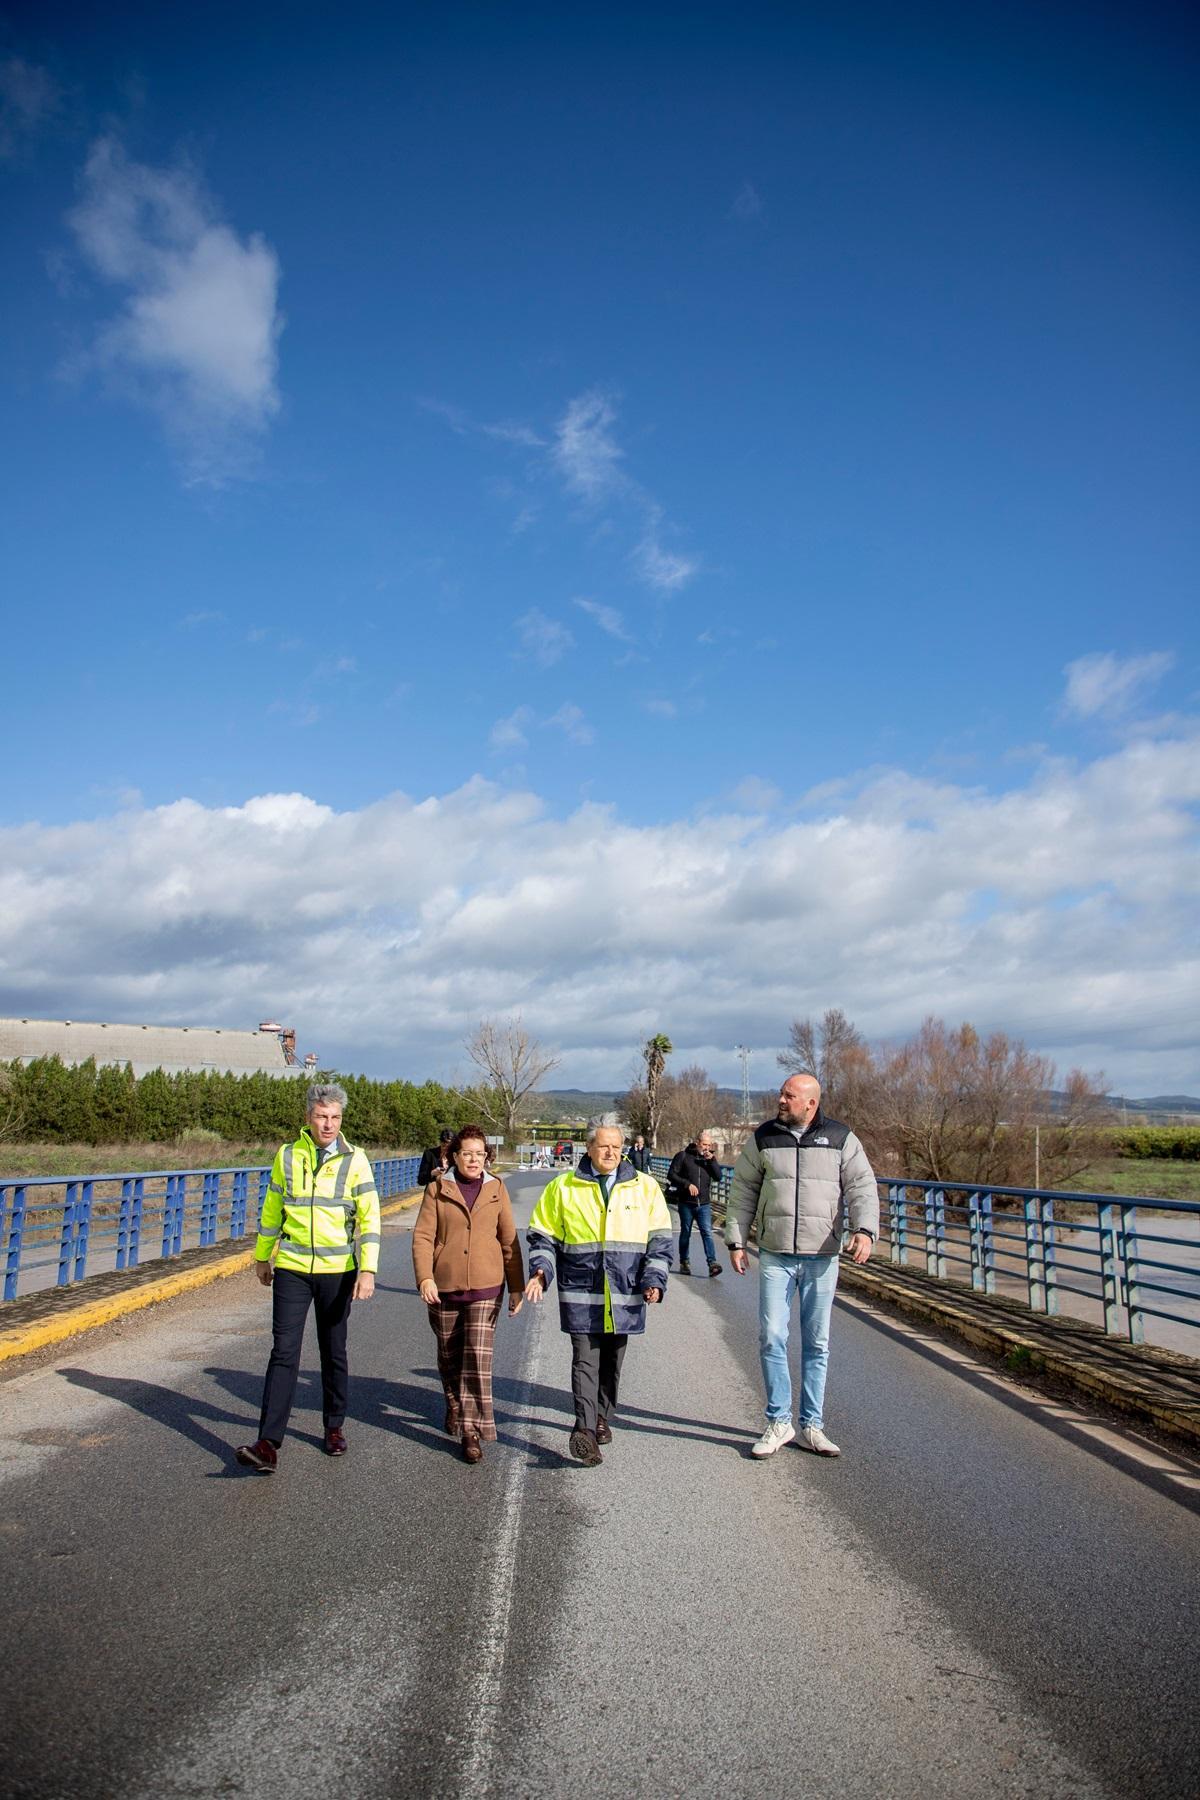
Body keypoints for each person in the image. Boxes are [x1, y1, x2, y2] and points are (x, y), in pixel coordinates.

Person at [725, 1073, 877, 1459]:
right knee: (772, 1336)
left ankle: (812, 1425)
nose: (780, 1099)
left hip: (822, 1255)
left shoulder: (841, 1138)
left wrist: (864, 1230)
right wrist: (737, 1240)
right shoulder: (763, 1137)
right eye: (781, 1093)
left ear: (810, 1103)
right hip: (775, 1253)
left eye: (789, 1096)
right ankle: (779, 1421)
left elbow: (861, 1185)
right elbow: (743, 1188)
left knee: (817, 1343)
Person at [236, 1083, 380, 1472]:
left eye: (334, 1117)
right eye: (321, 1116)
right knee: (283, 1352)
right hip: (294, 1270)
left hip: (337, 1271)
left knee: (333, 1351)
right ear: (308, 1118)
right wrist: (262, 1257)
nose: (328, 1124)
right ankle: (268, 1442)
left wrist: (367, 1269)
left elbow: (369, 1220)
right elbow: (272, 1210)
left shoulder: (356, 1160)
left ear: (341, 1119)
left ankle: (333, 1426)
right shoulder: (287, 1155)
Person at [525, 1120, 672, 1467]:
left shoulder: (645, 1187)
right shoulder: (563, 1187)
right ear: (589, 1147)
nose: (611, 1153)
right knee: (584, 1360)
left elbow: (660, 1240)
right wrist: (541, 1271)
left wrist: (654, 1280)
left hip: (625, 1292)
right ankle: (585, 1430)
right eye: (604, 1146)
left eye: (616, 1147)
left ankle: (602, 1415)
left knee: (612, 1362)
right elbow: (543, 1236)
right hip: (580, 1290)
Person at [412, 1124, 525, 1463]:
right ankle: (454, 1404)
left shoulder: (497, 1188)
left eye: (480, 1154)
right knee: (449, 1355)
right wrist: (425, 1278)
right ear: (454, 1156)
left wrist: (516, 1286)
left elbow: (509, 1240)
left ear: (486, 1157)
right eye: (467, 1154)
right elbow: (422, 1237)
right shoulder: (437, 1189)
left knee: (476, 1357)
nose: (474, 1160)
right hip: (444, 1285)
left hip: (487, 1285)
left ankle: (471, 1430)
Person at [666, 1134, 724, 1276]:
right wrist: (687, 1184)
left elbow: (718, 1177)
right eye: (704, 1144)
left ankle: (712, 1263)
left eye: (709, 1145)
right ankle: (684, 1262)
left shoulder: (708, 1159)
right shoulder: (683, 1156)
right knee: (686, 1232)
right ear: (697, 1143)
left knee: (707, 1233)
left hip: (704, 1203)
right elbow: (671, 1174)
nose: (707, 1148)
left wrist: (712, 1161)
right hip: (686, 1202)